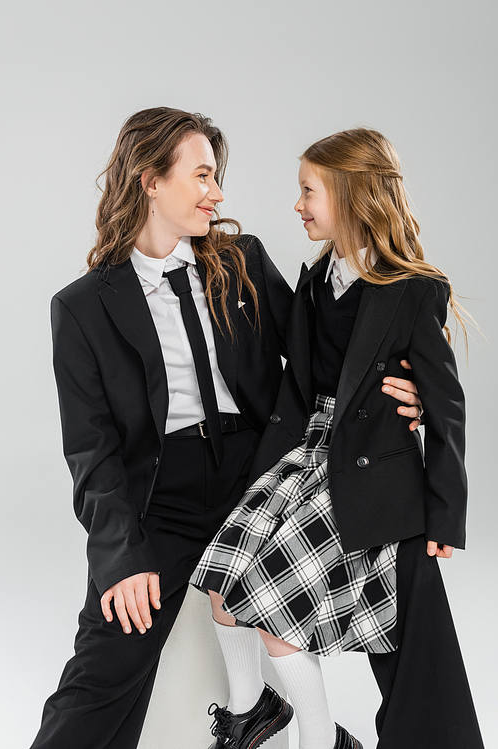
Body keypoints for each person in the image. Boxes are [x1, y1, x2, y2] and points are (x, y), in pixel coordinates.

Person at [29, 110, 421, 749]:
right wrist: (121, 557)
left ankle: (314, 733)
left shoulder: (240, 259)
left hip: (260, 471)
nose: (217, 192)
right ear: (150, 180)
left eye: (217, 176)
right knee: (106, 662)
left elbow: (326, 354)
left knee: (372, 604)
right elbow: (91, 451)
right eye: (203, 175)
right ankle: (261, 712)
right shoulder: (82, 308)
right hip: (164, 496)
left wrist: (412, 394)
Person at [191, 128, 484, 749]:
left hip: (366, 475)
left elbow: (447, 407)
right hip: (304, 456)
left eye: (308, 191)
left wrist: (445, 515)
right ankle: (250, 715)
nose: (297, 205)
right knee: (221, 581)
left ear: (351, 197)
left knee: (278, 620)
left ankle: (321, 743)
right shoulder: (318, 279)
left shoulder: (411, 291)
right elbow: (299, 382)